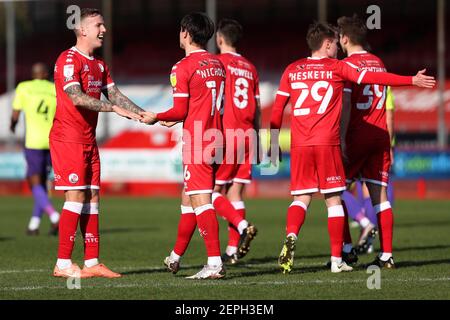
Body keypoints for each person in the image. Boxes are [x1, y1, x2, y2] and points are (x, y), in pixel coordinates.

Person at [270, 21, 434, 274]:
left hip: (300, 143)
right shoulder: (340, 67)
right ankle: (343, 258)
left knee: (300, 198)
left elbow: (278, 108)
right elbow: (375, 78)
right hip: (335, 140)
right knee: (335, 198)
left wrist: (271, 142)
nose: (337, 46)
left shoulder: (291, 69)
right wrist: (411, 79)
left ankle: (294, 237)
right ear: (327, 44)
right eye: (334, 43)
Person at [51, 8, 143, 279]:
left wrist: (144, 114)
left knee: (92, 197)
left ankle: (91, 262)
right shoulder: (68, 59)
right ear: (82, 30)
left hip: (88, 141)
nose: (103, 30)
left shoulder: (99, 64)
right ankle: (63, 263)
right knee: (76, 196)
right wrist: (113, 110)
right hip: (68, 139)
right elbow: (76, 98)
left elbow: (115, 94)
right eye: (98, 25)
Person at [140, 12, 227, 279]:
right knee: (189, 198)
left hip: (198, 140)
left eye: (180, 30)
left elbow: (179, 109)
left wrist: (157, 117)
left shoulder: (182, 67)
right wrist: (179, 118)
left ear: (186, 33)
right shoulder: (218, 63)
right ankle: (175, 257)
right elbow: (199, 104)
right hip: (218, 136)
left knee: (202, 202)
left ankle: (214, 264)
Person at [338, 15, 401, 268]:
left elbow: (345, 107)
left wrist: (341, 139)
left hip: (357, 135)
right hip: (380, 136)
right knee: (381, 197)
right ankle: (386, 255)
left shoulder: (346, 66)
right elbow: (388, 108)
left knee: (335, 192)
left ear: (344, 38)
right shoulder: (379, 63)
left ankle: (346, 249)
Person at [212, 18, 260, 264]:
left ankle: (242, 227)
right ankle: (232, 251)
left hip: (226, 134)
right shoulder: (250, 68)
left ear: (220, 39)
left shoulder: (217, 64)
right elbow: (258, 107)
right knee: (236, 192)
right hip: (248, 134)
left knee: (212, 192)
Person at [10, 63, 60, 236]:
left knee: (34, 182)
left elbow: (15, 114)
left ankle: (54, 216)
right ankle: (34, 224)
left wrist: (12, 125)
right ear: (46, 74)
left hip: (33, 141)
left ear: (33, 74)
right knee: (43, 183)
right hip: (52, 141)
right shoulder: (54, 89)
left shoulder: (24, 87)